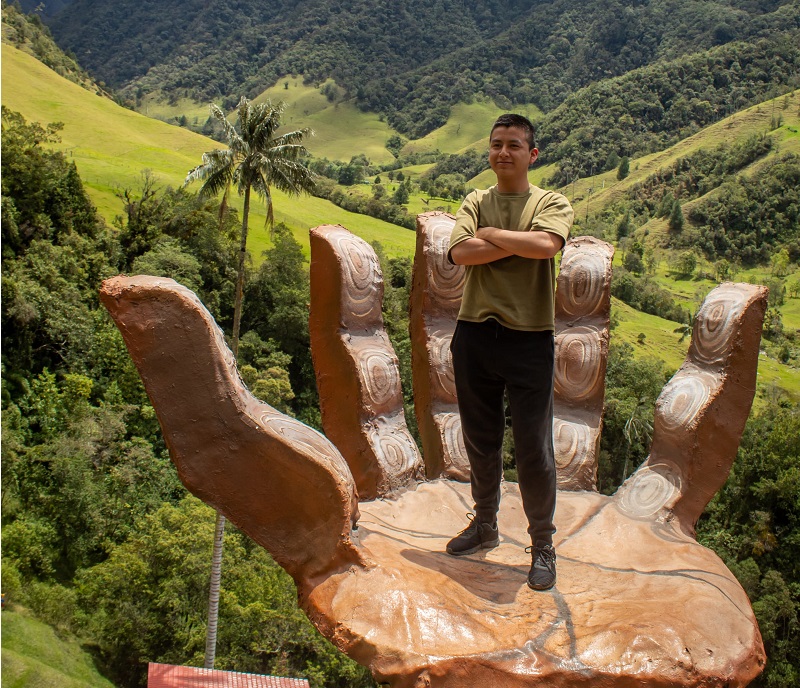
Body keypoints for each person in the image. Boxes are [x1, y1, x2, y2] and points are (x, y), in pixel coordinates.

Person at [445, 113, 573, 591]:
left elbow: (546, 245)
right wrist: (514, 243)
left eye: (514, 145)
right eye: (497, 144)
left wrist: (492, 235)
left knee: (534, 450)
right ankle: (485, 524)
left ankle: (542, 544)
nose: (503, 152)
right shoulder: (476, 199)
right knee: (481, 441)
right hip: (475, 333)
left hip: (529, 338)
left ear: (532, 154)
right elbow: (459, 253)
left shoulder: (551, 201)